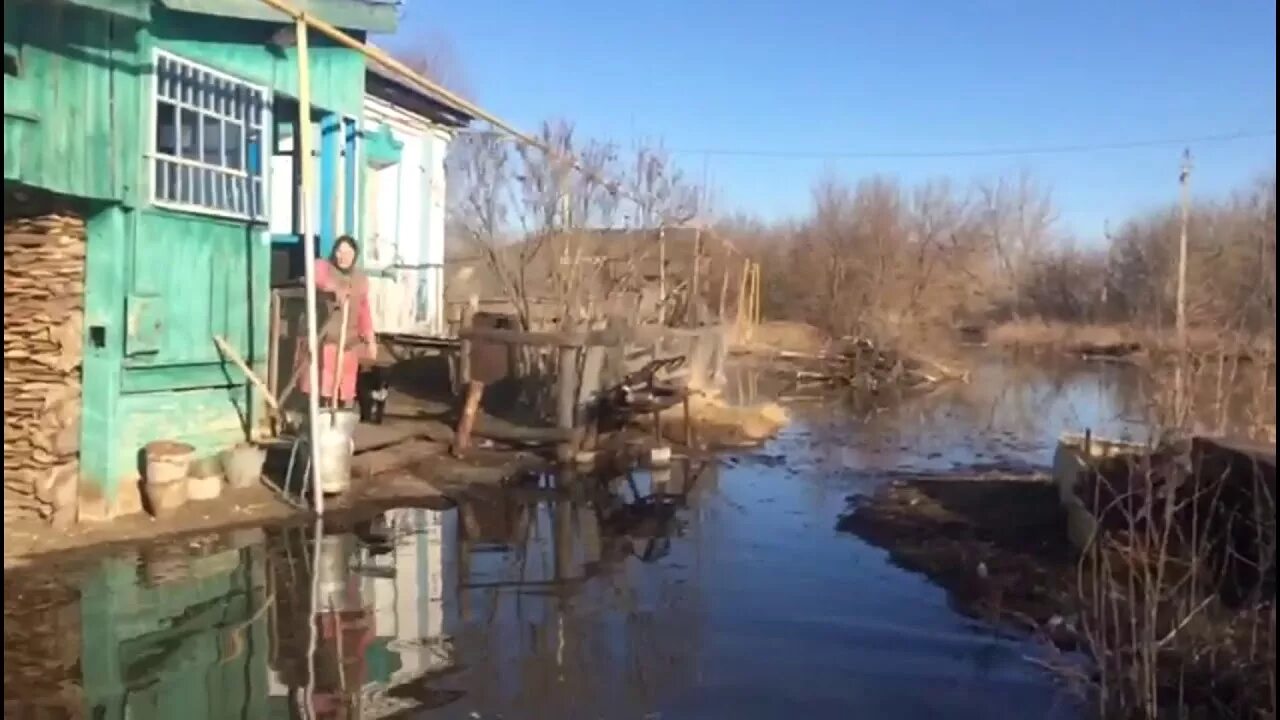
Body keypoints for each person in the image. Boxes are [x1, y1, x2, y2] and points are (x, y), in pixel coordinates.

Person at [298, 235, 377, 408]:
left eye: (348, 252)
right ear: (333, 252)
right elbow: (313, 277)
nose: (343, 256)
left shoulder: (360, 279)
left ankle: (339, 422)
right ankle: (318, 420)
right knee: (322, 387)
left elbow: (364, 312)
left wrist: (371, 340)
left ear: (355, 255)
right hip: (323, 340)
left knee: (344, 390)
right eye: (339, 251)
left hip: (347, 342)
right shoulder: (323, 267)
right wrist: (334, 287)